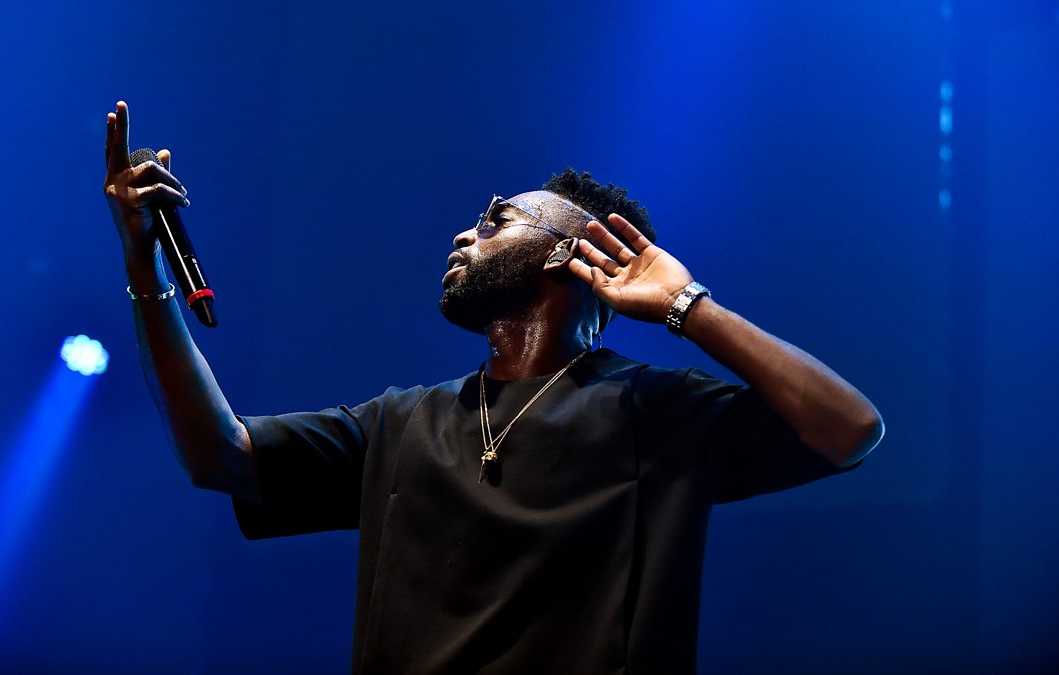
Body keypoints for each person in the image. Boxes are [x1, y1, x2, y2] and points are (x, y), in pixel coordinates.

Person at [103, 100, 884, 674]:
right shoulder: (402, 422)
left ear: (566, 255)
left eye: (494, 220)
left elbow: (849, 428)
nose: (463, 233)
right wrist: (144, 262)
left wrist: (687, 305)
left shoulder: (657, 410)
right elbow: (217, 452)